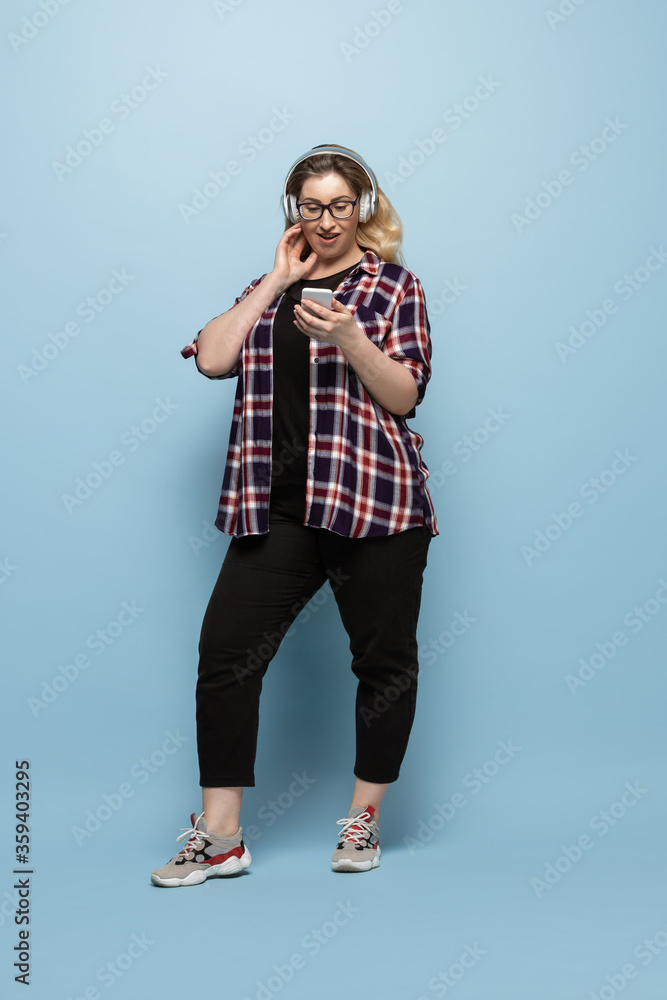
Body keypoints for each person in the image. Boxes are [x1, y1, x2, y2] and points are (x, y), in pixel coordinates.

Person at [151, 144, 439, 886]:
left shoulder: (392, 286)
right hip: (277, 509)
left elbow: (404, 395)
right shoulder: (267, 287)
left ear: (362, 208)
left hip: (373, 502)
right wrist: (277, 280)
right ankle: (220, 838)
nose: (326, 220)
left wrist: (348, 335)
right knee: (225, 656)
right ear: (293, 214)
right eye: (310, 206)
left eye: (340, 204)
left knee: (382, 663)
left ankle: (364, 818)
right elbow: (214, 358)